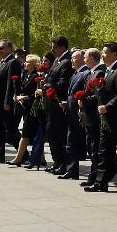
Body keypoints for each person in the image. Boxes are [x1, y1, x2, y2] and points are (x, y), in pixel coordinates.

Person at [86, 41, 117, 193]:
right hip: (103, 118)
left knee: (110, 150)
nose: (102, 55)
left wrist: (107, 106)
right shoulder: (107, 71)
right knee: (103, 150)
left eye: (105, 52)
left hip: (112, 118)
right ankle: (101, 182)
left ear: (114, 54)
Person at [0, 40, 22, 164]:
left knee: (11, 129)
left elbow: (10, 84)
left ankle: (23, 154)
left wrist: (7, 101)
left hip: (5, 102)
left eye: (2, 48)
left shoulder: (12, 62)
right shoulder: (2, 63)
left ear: (9, 48)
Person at [44, 36, 73, 174]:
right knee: (51, 133)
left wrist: (47, 85)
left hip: (59, 103)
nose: (52, 49)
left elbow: (62, 83)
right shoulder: (58, 60)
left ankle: (62, 163)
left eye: (55, 47)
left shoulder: (67, 61)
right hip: (51, 104)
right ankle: (57, 162)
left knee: (59, 135)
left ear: (62, 47)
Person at [77, 48, 106, 188]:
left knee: (95, 148)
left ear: (93, 58)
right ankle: (92, 176)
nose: (84, 59)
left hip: (94, 116)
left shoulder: (100, 72)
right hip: (87, 115)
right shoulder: (91, 72)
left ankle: (95, 177)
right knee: (90, 147)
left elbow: (98, 96)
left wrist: (85, 99)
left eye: (86, 57)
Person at [59, 49, 89, 180]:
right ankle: (71, 170)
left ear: (83, 59)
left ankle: (73, 169)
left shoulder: (85, 73)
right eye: (71, 58)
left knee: (76, 141)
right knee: (70, 141)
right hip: (70, 111)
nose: (71, 60)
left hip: (78, 113)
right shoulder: (75, 73)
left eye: (74, 58)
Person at [8, 54, 41, 166]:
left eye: (27, 62)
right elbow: (23, 89)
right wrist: (18, 96)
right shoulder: (26, 74)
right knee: (34, 134)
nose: (24, 63)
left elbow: (36, 94)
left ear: (32, 64)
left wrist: (25, 97)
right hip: (25, 107)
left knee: (25, 134)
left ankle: (18, 157)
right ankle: (41, 158)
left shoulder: (36, 76)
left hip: (33, 108)